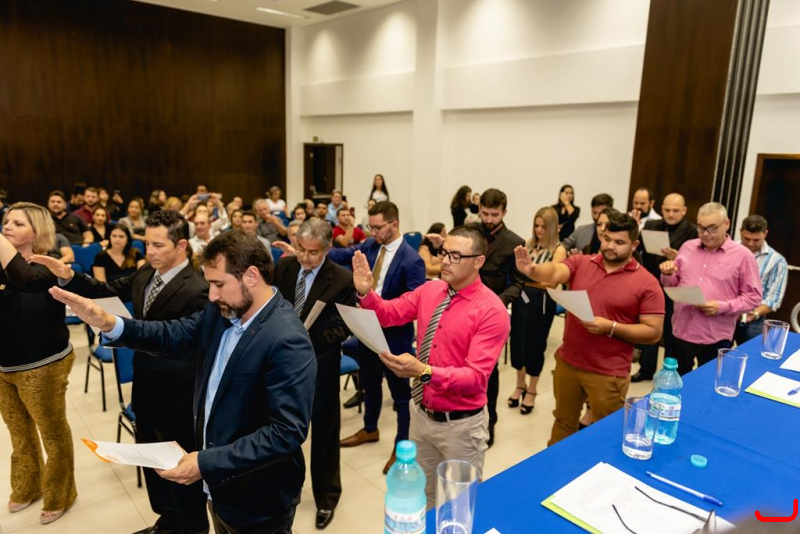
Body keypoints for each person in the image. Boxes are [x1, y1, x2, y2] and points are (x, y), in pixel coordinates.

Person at [50, 231, 317, 533]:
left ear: (252, 276)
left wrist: (204, 463)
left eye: (219, 284)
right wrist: (110, 323)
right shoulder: (222, 311)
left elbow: (285, 433)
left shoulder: (287, 339)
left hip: (258, 496)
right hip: (219, 486)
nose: (212, 295)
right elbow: (171, 334)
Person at [33, 210, 211, 534]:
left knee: (181, 474)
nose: (149, 251)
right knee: (152, 465)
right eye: (147, 243)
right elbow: (107, 289)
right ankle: (166, 522)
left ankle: (192, 527)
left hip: (180, 394)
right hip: (146, 384)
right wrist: (68, 275)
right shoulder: (146, 272)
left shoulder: (199, 289)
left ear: (181, 245)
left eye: (158, 245)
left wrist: (117, 326)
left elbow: (182, 341)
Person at [354, 225, 509, 507]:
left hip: (460, 426)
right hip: (422, 415)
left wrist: (423, 372)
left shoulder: (491, 310)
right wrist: (366, 294)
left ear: (479, 261)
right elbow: (389, 313)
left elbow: (475, 378)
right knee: (423, 496)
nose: (445, 261)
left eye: (456, 256)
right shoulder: (431, 289)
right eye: (443, 252)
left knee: (459, 505)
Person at [515, 212, 665, 444]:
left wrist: (611, 327)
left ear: (634, 245)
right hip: (569, 363)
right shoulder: (582, 262)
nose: (610, 246)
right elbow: (555, 271)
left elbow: (653, 332)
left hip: (608, 372)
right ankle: (558, 465)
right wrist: (533, 270)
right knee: (563, 422)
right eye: (607, 239)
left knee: (604, 433)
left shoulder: (647, 283)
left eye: (619, 242)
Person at [325, 201, 426, 473]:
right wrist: (313, 250)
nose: (373, 232)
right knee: (370, 384)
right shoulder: (371, 245)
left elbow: (414, 303)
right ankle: (370, 428)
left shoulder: (412, 260)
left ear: (394, 225)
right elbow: (342, 254)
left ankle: (401, 446)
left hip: (395, 336)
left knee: (401, 394)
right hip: (367, 330)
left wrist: (381, 308)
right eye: (370, 227)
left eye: (378, 227)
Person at [273, 219, 355, 530]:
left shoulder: (342, 279)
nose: (305, 258)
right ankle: (285, 490)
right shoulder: (284, 268)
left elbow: (342, 328)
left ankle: (327, 496)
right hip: (281, 365)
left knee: (324, 432)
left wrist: (304, 340)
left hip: (320, 363)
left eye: (313, 253)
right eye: (301, 249)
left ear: (328, 248)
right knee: (281, 429)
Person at [0, 203, 77, 525]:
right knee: (18, 432)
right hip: (5, 365)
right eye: (6, 221)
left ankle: (60, 494)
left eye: (18, 223)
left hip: (43, 363)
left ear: (37, 231)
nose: (7, 226)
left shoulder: (48, 265)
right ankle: (26, 486)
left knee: (52, 433)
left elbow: (25, 277)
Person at [660, 202, 762, 376]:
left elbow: (753, 297)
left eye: (712, 228)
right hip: (680, 329)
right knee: (674, 382)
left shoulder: (743, 256)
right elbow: (672, 284)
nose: (705, 234)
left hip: (714, 336)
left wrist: (722, 307)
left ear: (726, 224)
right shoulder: (688, 247)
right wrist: (667, 274)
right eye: (701, 228)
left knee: (706, 384)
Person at [632, 193, 697, 382]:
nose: (671, 214)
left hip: (676, 288)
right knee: (649, 327)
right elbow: (638, 251)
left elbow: (697, 264)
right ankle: (646, 369)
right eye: (667, 210)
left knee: (671, 334)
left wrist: (678, 258)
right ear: (661, 209)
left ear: (684, 211)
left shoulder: (692, 231)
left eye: (675, 210)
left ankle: (668, 374)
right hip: (651, 283)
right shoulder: (652, 226)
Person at [508, 207, 566, 414]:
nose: (539, 230)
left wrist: (529, 279)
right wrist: (529, 280)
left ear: (552, 227)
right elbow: (517, 274)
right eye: (536, 225)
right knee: (518, 344)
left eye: (543, 226)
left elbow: (552, 282)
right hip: (521, 299)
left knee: (535, 346)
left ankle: (532, 389)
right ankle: (519, 384)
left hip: (541, 302)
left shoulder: (558, 250)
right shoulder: (528, 244)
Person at [734, 215, 788, 345]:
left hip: (754, 318)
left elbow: (774, 298)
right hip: (725, 314)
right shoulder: (729, 251)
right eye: (747, 239)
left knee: (751, 353)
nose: (750, 244)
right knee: (716, 354)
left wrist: (755, 313)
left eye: (756, 240)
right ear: (740, 231)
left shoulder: (777, 261)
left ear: (765, 233)